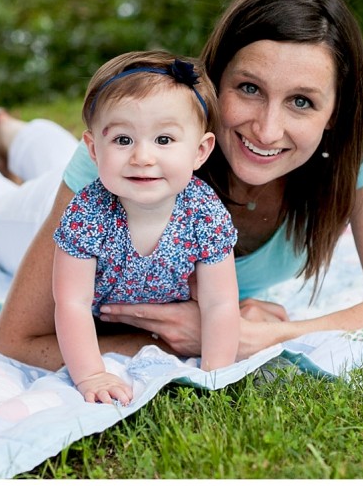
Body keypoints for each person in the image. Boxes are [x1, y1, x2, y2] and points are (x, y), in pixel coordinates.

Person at [0, 0, 363, 372]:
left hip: (118, 164)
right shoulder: (153, 139)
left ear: (338, 113)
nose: (267, 130)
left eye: (302, 104)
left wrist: (262, 334)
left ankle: (4, 129)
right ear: (212, 82)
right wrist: (177, 340)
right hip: (84, 206)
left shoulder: (359, 125)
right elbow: (17, 340)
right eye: (248, 89)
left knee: (60, 153)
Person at [52, 51, 239, 405]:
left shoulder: (204, 213)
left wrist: (216, 373)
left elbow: (220, 303)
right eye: (123, 140)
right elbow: (71, 303)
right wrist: (92, 374)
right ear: (93, 149)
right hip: (102, 322)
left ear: (200, 151)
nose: (142, 157)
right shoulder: (87, 213)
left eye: (164, 140)